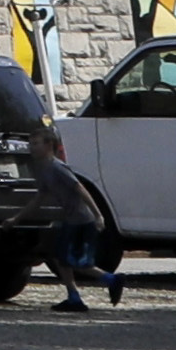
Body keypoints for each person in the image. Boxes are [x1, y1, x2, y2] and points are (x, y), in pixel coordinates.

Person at [20, 117, 117, 311]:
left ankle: (111, 280)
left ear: (49, 145)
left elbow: (79, 187)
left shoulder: (57, 167)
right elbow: (39, 199)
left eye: (36, 144)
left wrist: (98, 215)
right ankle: (74, 297)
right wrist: (17, 219)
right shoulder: (45, 169)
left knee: (77, 263)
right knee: (61, 259)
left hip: (81, 220)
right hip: (71, 220)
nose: (32, 148)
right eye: (31, 144)